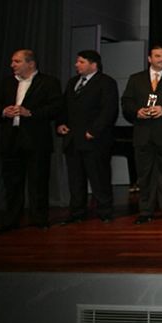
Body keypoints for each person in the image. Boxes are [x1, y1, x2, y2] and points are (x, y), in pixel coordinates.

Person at [0, 49, 61, 233]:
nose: (12, 65)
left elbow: (55, 107)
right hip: (11, 139)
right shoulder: (7, 83)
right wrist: (3, 111)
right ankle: (11, 220)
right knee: (12, 184)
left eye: (17, 61)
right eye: (12, 61)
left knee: (38, 182)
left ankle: (40, 219)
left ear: (31, 63)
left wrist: (30, 113)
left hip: (36, 140)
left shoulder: (48, 82)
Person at [121, 45, 162, 224]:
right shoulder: (136, 79)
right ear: (149, 59)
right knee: (144, 176)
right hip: (143, 134)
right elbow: (126, 102)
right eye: (157, 56)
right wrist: (137, 111)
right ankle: (146, 211)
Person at [56, 49, 119, 224]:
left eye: (81, 62)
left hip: (95, 140)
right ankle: (77, 212)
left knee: (99, 177)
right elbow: (64, 107)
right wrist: (60, 124)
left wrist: (94, 130)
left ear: (94, 64)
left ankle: (104, 211)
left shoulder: (106, 82)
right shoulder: (73, 83)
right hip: (73, 140)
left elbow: (109, 110)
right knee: (76, 180)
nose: (77, 65)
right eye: (77, 61)